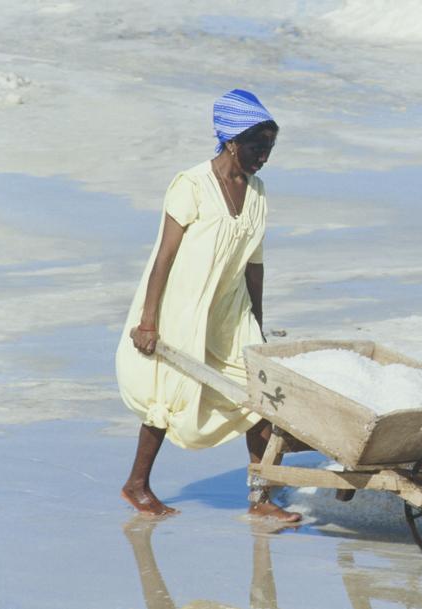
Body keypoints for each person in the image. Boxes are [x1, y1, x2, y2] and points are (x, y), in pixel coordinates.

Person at [116, 89, 300, 521]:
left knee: (261, 395)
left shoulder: (257, 192)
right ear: (232, 139)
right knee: (169, 395)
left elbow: (254, 264)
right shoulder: (191, 185)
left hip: (231, 311)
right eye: (258, 146)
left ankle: (261, 499)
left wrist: (257, 323)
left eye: (270, 148)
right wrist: (148, 320)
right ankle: (137, 485)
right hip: (183, 306)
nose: (265, 157)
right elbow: (164, 257)